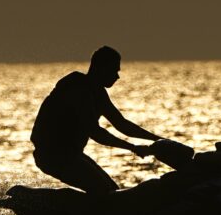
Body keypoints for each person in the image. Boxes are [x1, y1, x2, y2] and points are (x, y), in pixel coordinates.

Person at [30, 46, 162, 193]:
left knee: (112, 189)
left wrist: (158, 140)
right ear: (101, 68)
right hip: (53, 156)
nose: (117, 76)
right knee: (105, 192)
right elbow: (96, 133)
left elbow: (121, 124)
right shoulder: (77, 88)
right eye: (114, 70)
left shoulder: (98, 92)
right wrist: (133, 148)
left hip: (72, 154)